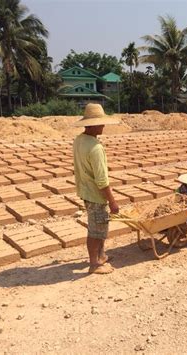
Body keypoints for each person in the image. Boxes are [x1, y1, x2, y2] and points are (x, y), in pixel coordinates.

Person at [73, 103, 120, 274]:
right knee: (95, 230)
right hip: (95, 195)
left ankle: (101, 256)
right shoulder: (96, 148)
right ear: (92, 124)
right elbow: (102, 181)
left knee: (100, 226)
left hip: (85, 191)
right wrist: (112, 202)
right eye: (100, 122)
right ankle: (94, 264)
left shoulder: (79, 140)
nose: (103, 125)